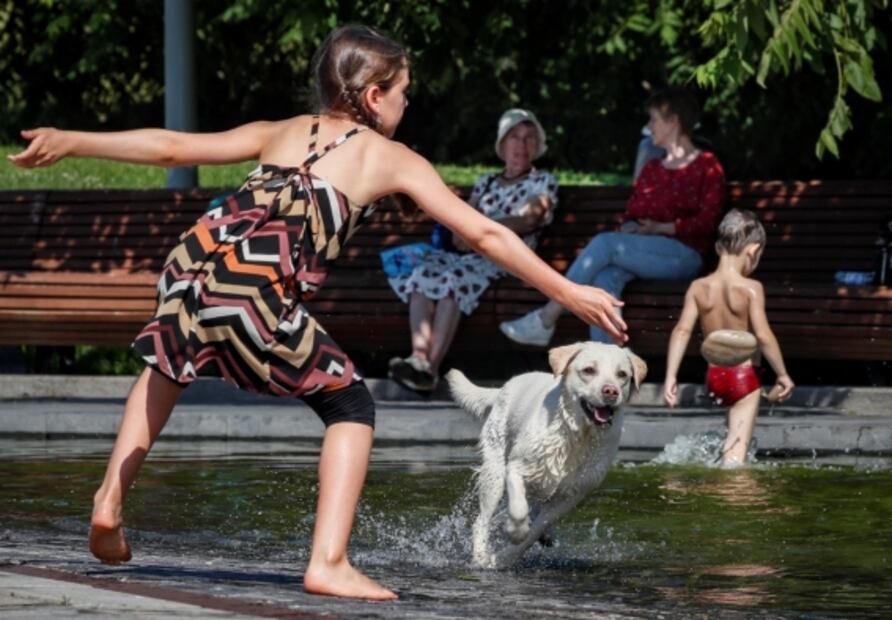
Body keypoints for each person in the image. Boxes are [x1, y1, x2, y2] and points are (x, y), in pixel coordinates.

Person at [7, 25, 626, 601]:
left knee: (169, 364)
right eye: (404, 92)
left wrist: (73, 140)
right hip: (254, 287)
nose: (408, 105)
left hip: (193, 267)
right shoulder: (389, 156)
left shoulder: (282, 129)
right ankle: (328, 561)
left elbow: (170, 144)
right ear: (375, 95)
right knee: (349, 402)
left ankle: (110, 496)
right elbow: (487, 236)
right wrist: (569, 294)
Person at [499, 87, 725, 347]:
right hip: (643, 252)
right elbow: (632, 212)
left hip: (684, 255)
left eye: (654, 120)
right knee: (604, 281)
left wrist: (661, 228)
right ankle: (609, 366)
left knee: (607, 244)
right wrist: (629, 226)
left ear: (673, 122)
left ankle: (547, 317)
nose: (649, 127)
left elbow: (708, 222)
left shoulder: (706, 165)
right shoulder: (653, 168)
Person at [387, 108, 558, 393]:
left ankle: (430, 370)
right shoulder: (487, 182)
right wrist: (463, 233)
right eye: (515, 137)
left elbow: (530, 217)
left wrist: (481, 231)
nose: (521, 144)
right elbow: (463, 216)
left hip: (505, 259)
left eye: (529, 138)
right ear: (502, 144)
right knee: (423, 272)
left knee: (454, 278)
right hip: (469, 255)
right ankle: (417, 358)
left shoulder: (542, 182)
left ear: (537, 146)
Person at [662, 209, 795, 466]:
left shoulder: (698, 287)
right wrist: (782, 374)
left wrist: (671, 376)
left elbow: (681, 331)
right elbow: (764, 336)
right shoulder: (751, 289)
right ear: (753, 250)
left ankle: (719, 492)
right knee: (736, 458)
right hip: (744, 377)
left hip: (714, 377)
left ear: (717, 247)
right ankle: (731, 499)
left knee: (729, 442)